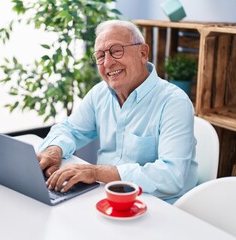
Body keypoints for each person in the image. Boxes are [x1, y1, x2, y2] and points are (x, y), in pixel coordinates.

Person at [37, 19, 198, 203]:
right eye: (100, 56)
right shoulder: (100, 93)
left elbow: (171, 176)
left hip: (159, 205)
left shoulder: (174, 102)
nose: (107, 63)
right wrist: (54, 150)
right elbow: (70, 129)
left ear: (143, 53)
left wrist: (96, 172)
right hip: (107, 198)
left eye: (116, 51)